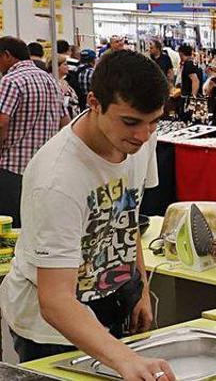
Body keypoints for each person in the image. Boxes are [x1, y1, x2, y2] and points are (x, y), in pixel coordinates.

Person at [0, 49, 175, 380]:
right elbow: (55, 301)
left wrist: (139, 289)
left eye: (154, 122)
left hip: (113, 304)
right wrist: (123, 357)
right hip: (52, 331)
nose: (143, 135)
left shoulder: (138, 140)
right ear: (94, 103)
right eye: (131, 122)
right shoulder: (58, 178)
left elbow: (126, 216)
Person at [0, 36, 68, 226]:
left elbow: (1, 123)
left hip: (12, 169)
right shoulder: (51, 81)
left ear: (6, 55)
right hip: (44, 169)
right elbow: (65, 122)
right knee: (35, 226)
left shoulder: (10, 81)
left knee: (9, 228)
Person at [55, 55, 80, 119]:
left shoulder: (64, 81)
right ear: (57, 67)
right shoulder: (54, 82)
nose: (68, 67)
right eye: (65, 64)